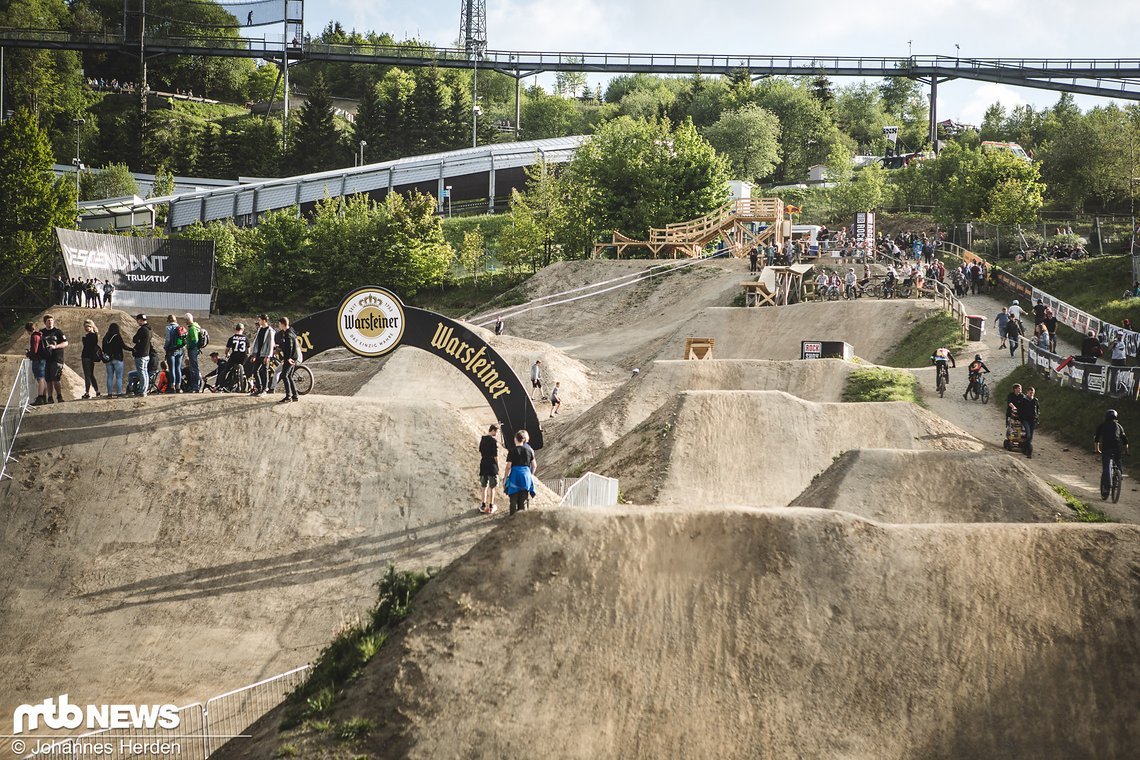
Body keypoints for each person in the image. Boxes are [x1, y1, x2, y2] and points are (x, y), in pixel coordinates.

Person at [1094, 409, 1129, 496]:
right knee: (1118, 461)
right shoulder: (1119, 426)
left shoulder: (1102, 426)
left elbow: (1096, 439)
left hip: (1106, 448)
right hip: (1117, 448)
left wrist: (1097, 449)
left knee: (1106, 467)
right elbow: (1125, 441)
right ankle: (1119, 474)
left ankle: (1106, 487)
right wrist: (1126, 451)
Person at [503, 429, 537, 516]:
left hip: (515, 475)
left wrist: (505, 479)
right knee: (523, 499)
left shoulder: (512, 451)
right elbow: (534, 465)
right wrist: (531, 475)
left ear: (515, 439)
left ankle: (512, 519)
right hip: (526, 476)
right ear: (523, 439)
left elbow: (508, 467)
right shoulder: (529, 450)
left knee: (513, 499)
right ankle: (521, 520)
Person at [40, 315, 68, 404]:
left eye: (51, 320)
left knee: (56, 378)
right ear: (45, 322)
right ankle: (50, 397)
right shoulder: (42, 332)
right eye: (48, 320)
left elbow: (65, 343)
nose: (50, 322)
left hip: (57, 358)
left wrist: (55, 346)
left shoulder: (58, 332)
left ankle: (59, 396)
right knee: (48, 379)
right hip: (46, 358)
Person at [275, 316, 300, 403]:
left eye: (279, 324)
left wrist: (287, 358)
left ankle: (288, 396)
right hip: (293, 358)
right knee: (289, 376)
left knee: (284, 375)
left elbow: (289, 347)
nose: (279, 326)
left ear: (283, 324)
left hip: (290, 359)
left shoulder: (288, 334)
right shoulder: (291, 332)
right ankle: (295, 396)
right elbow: (286, 346)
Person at [250, 314, 275, 396]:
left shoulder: (270, 330)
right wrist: (254, 354)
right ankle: (259, 388)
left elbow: (270, 344)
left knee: (265, 371)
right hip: (258, 353)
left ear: (264, 320)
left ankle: (265, 389)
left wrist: (268, 356)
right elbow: (256, 342)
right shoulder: (260, 329)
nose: (259, 321)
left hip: (265, 354)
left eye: (260, 320)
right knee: (255, 370)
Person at [478, 424, 500, 514]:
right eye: (497, 432)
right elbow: (495, 456)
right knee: (492, 487)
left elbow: (480, 450)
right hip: (491, 466)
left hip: (483, 464)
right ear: (493, 430)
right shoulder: (493, 441)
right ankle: (491, 506)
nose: (497, 434)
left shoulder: (482, 439)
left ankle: (483, 505)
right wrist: (497, 466)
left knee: (484, 486)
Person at [25, 323, 48, 405]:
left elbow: (34, 350)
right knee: (42, 379)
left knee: (40, 378)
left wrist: (28, 354)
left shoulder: (34, 336)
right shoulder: (39, 335)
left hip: (38, 360)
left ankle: (40, 397)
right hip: (42, 359)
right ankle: (44, 398)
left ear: (27, 330)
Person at [101, 322, 126, 398]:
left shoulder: (105, 337)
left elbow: (103, 348)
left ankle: (109, 394)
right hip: (117, 358)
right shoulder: (117, 336)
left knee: (109, 377)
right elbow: (123, 346)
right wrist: (132, 349)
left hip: (108, 359)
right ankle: (119, 393)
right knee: (119, 377)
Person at [130, 314, 152, 397]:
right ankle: (144, 389)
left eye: (138, 320)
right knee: (145, 372)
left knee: (141, 373)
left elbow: (134, 339)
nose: (137, 322)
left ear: (140, 320)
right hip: (146, 354)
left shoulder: (142, 329)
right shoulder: (150, 330)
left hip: (140, 354)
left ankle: (142, 390)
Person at [222, 323, 249, 390]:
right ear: (242, 330)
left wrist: (227, 354)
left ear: (235, 329)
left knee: (225, 370)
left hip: (234, 356)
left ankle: (222, 386)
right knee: (248, 371)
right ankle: (249, 383)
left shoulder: (232, 338)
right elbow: (248, 351)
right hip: (243, 357)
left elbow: (227, 349)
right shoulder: (246, 339)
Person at [79, 319, 102, 399]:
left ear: (91, 326)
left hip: (86, 356)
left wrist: (84, 340)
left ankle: (87, 392)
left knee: (87, 375)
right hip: (91, 357)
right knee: (91, 375)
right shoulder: (95, 335)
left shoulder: (90, 336)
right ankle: (97, 391)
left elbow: (87, 347)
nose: (86, 328)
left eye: (87, 327)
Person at [163, 314, 184, 393]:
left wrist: (166, 347)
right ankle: (178, 387)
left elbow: (168, 339)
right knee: (178, 368)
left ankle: (172, 387)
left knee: (172, 369)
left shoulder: (168, 328)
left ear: (169, 321)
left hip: (171, 350)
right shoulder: (179, 327)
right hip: (180, 350)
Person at [184, 312, 202, 393]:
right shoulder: (195, 326)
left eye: (185, 320)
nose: (185, 322)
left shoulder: (192, 328)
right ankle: (195, 385)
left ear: (188, 320)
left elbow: (195, 340)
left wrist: (189, 346)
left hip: (193, 350)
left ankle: (195, 386)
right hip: (194, 349)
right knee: (193, 367)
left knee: (194, 368)